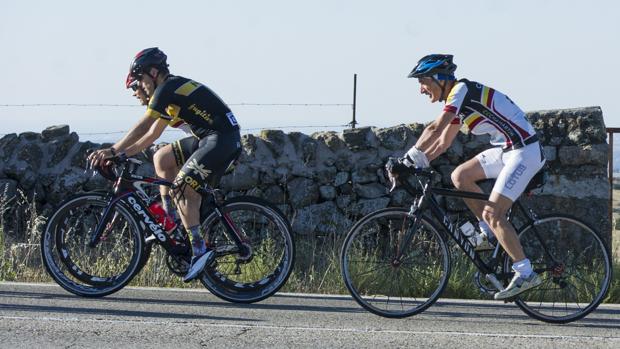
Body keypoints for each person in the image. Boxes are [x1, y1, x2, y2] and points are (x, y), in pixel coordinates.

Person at [393, 54, 545, 300]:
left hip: (524, 151)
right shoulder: (460, 100)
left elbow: (434, 128)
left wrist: (407, 158)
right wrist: (417, 164)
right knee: (461, 175)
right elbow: (442, 143)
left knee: (493, 212)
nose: (421, 89)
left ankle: (525, 272)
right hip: (508, 150)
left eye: (422, 81)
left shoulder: (461, 90)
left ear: (440, 79)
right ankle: (487, 233)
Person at [88, 47, 242, 282]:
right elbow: (152, 136)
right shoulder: (171, 92)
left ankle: (199, 250)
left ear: (152, 72)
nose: (138, 88)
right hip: (211, 139)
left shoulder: (167, 87)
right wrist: (122, 154)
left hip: (220, 140)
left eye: (139, 80)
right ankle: (172, 221)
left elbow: (144, 125)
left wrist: (113, 151)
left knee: (181, 187)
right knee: (162, 158)